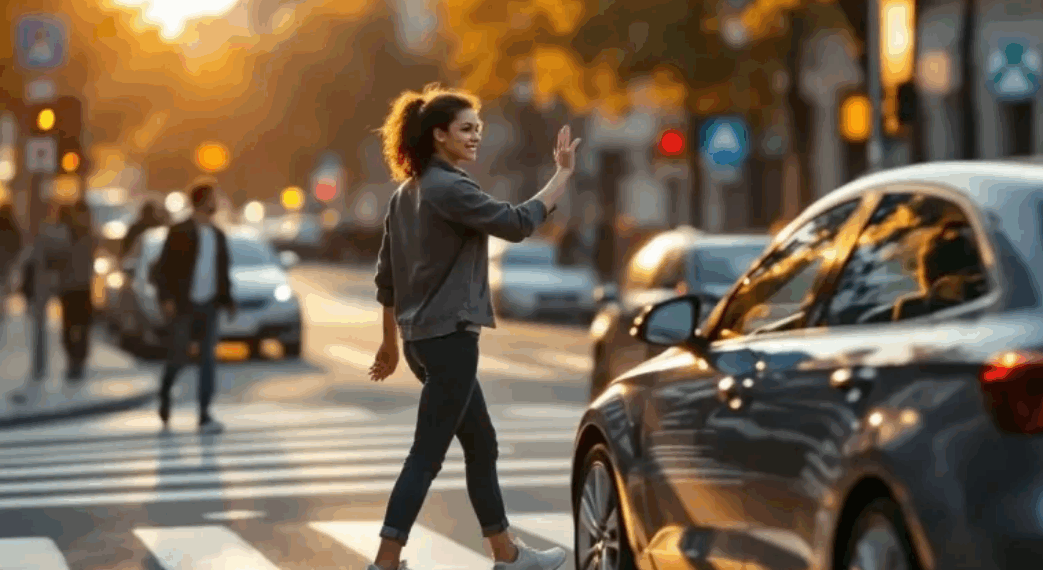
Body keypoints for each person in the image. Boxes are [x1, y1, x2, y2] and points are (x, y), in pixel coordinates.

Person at [367, 83, 581, 570]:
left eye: (478, 129)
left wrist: (390, 345)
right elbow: (515, 222)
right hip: (451, 341)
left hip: (421, 342)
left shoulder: (407, 193)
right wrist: (561, 175)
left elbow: (386, 279)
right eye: (466, 129)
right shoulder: (449, 187)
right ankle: (383, 562)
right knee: (426, 456)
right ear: (439, 135)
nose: (475, 137)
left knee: (481, 444)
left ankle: (506, 554)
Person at [150, 181, 236, 434]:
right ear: (201, 202)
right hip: (183, 305)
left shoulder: (218, 235)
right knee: (179, 356)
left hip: (209, 305)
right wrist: (166, 299)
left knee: (207, 360)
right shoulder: (179, 231)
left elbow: (223, 272)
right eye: (212, 198)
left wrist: (228, 300)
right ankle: (165, 393)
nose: (216, 202)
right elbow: (163, 269)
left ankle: (204, 415)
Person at [58, 201, 94, 381]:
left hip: (83, 288)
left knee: (82, 327)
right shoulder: (67, 233)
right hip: (69, 289)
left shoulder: (90, 233)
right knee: (69, 327)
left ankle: (78, 360)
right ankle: (73, 360)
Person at [0, 204, 22, 319]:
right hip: (6, 267)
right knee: (2, 291)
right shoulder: (12, 228)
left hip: (5, 266)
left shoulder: (11, 229)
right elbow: (18, 246)